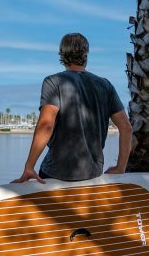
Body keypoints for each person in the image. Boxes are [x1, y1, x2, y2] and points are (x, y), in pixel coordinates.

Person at [12, 33, 131, 183]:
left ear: (62, 54)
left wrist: (29, 167)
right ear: (85, 54)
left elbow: (46, 125)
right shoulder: (105, 85)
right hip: (93, 174)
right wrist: (120, 167)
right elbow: (126, 127)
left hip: (56, 173)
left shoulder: (53, 82)